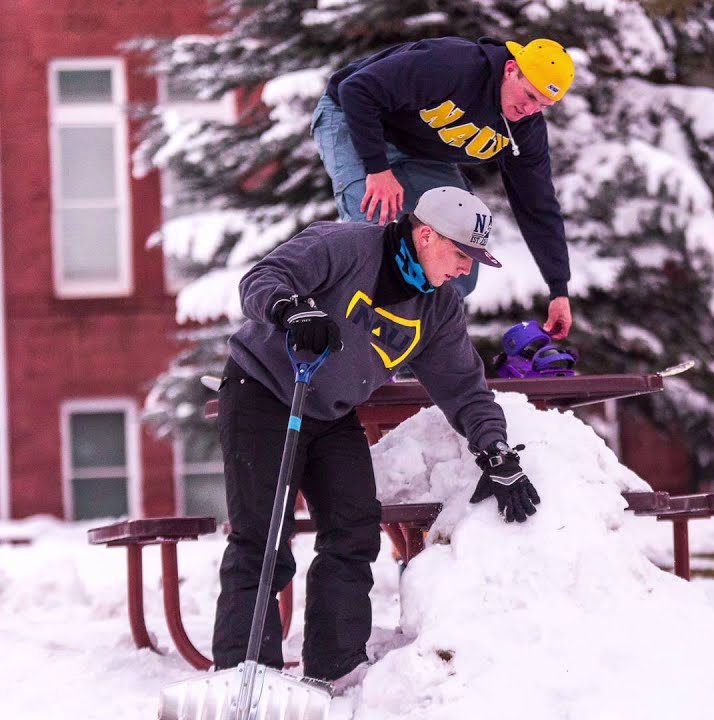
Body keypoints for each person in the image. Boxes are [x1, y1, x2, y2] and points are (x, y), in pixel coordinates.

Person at [212, 186, 542, 686]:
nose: (464, 270)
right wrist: (292, 310)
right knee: (262, 536)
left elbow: (464, 389)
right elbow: (262, 279)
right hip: (264, 390)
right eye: (460, 255)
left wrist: (495, 451)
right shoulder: (344, 248)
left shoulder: (438, 309)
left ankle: (335, 671)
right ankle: (245, 673)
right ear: (426, 235)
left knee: (354, 530)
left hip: (330, 410)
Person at [311, 36, 576, 340]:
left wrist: (559, 289)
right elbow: (356, 90)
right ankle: (348, 342)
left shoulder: (525, 130)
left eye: (543, 105)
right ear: (511, 69)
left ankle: (414, 353)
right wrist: (378, 168)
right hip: (352, 115)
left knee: (459, 245)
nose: (530, 110)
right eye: (529, 95)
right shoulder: (453, 65)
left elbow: (537, 204)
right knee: (372, 223)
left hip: (421, 153)